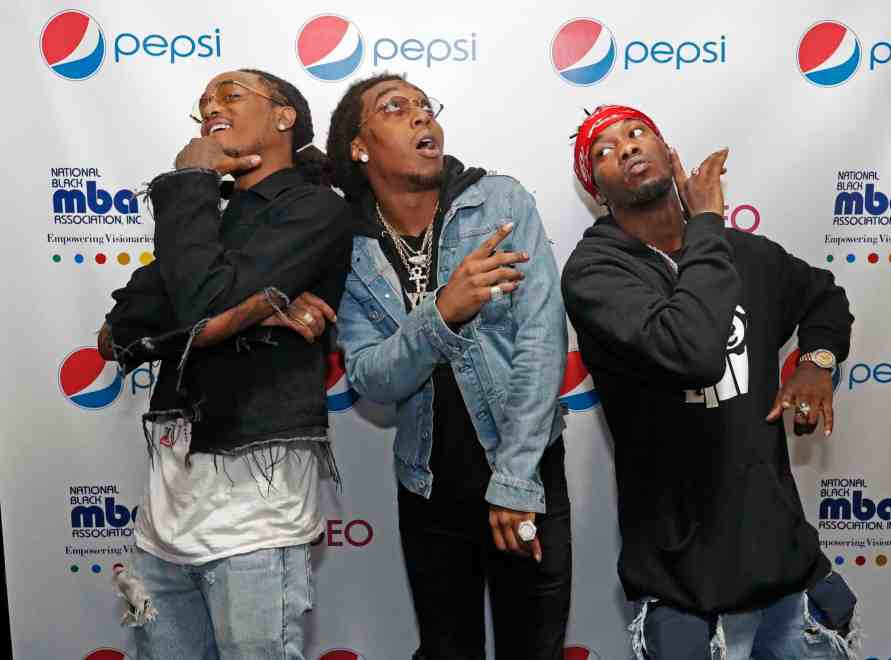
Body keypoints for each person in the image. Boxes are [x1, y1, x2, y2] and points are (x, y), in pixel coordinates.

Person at [561, 105, 858, 660]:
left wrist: (815, 363)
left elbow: (824, 297)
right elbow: (694, 352)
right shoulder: (596, 273)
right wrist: (706, 225)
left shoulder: (744, 254)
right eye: (603, 151)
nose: (626, 148)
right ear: (596, 190)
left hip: (783, 566)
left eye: (636, 134)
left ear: (668, 154)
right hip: (682, 579)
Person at [97, 68, 353, 660]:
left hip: (253, 530)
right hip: (162, 528)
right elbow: (117, 334)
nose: (211, 106)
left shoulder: (313, 210)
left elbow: (202, 306)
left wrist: (189, 180)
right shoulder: (205, 220)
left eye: (231, 94)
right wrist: (256, 313)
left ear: (284, 115)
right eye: (204, 102)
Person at [323, 73, 571, 660]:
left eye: (424, 106)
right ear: (359, 148)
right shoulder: (347, 245)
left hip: (525, 471)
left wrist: (513, 483)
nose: (420, 117)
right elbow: (370, 378)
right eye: (395, 108)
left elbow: (541, 340)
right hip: (429, 490)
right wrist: (443, 313)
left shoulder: (501, 204)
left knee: (533, 650)